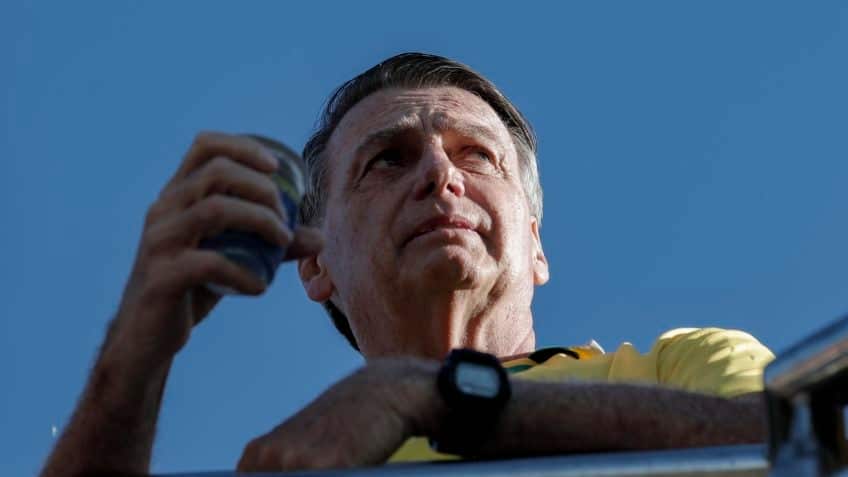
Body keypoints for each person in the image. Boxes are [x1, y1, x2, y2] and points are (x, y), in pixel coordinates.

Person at [40, 53, 774, 476]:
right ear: (314, 263)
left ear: (537, 244)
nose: (440, 175)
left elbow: (805, 445)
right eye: (387, 160)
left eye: (476, 155)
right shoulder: (298, 461)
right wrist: (133, 355)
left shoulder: (679, 367)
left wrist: (430, 397)